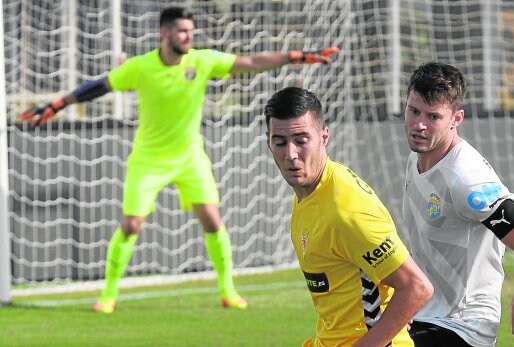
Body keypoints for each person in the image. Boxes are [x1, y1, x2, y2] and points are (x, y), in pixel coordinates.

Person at [19, 7, 340, 313]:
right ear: (164, 33)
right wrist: (56, 104)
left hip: (190, 156)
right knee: (131, 225)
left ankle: (228, 291)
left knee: (212, 220)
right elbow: (99, 86)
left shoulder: (202, 61)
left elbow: (251, 60)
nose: (188, 37)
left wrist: (295, 56)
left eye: (190, 31)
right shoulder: (141, 67)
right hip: (148, 158)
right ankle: (108, 295)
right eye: (182, 31)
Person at [265, 86, 433, 347]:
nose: (291, 154)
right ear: (268, 142)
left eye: (301, 140)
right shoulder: (309, 195)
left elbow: (416, 288)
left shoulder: (346, 209)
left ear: (324, 137)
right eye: (280, 142)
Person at [401, 62, 514, 347]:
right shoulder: (417, 158)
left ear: (456, 119)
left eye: (433, 116)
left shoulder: (468, 181)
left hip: (462, 327)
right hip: (425, 314)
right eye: (414, 111)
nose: (419, 125)